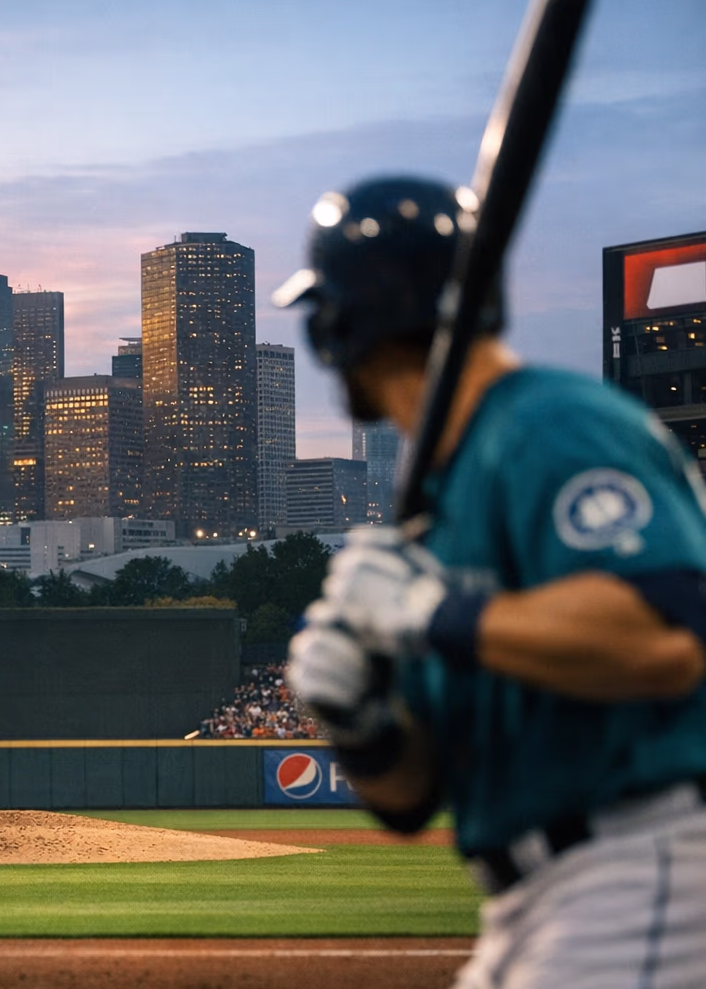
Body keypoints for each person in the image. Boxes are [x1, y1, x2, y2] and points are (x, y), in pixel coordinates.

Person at [277, 175, 706, 988]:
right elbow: (409, 800)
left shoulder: (549, 422)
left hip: (642, 865)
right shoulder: (442, 498)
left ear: (347, 320)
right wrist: (359, 720)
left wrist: (427, 610)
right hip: (533, 898)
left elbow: (668, 636)